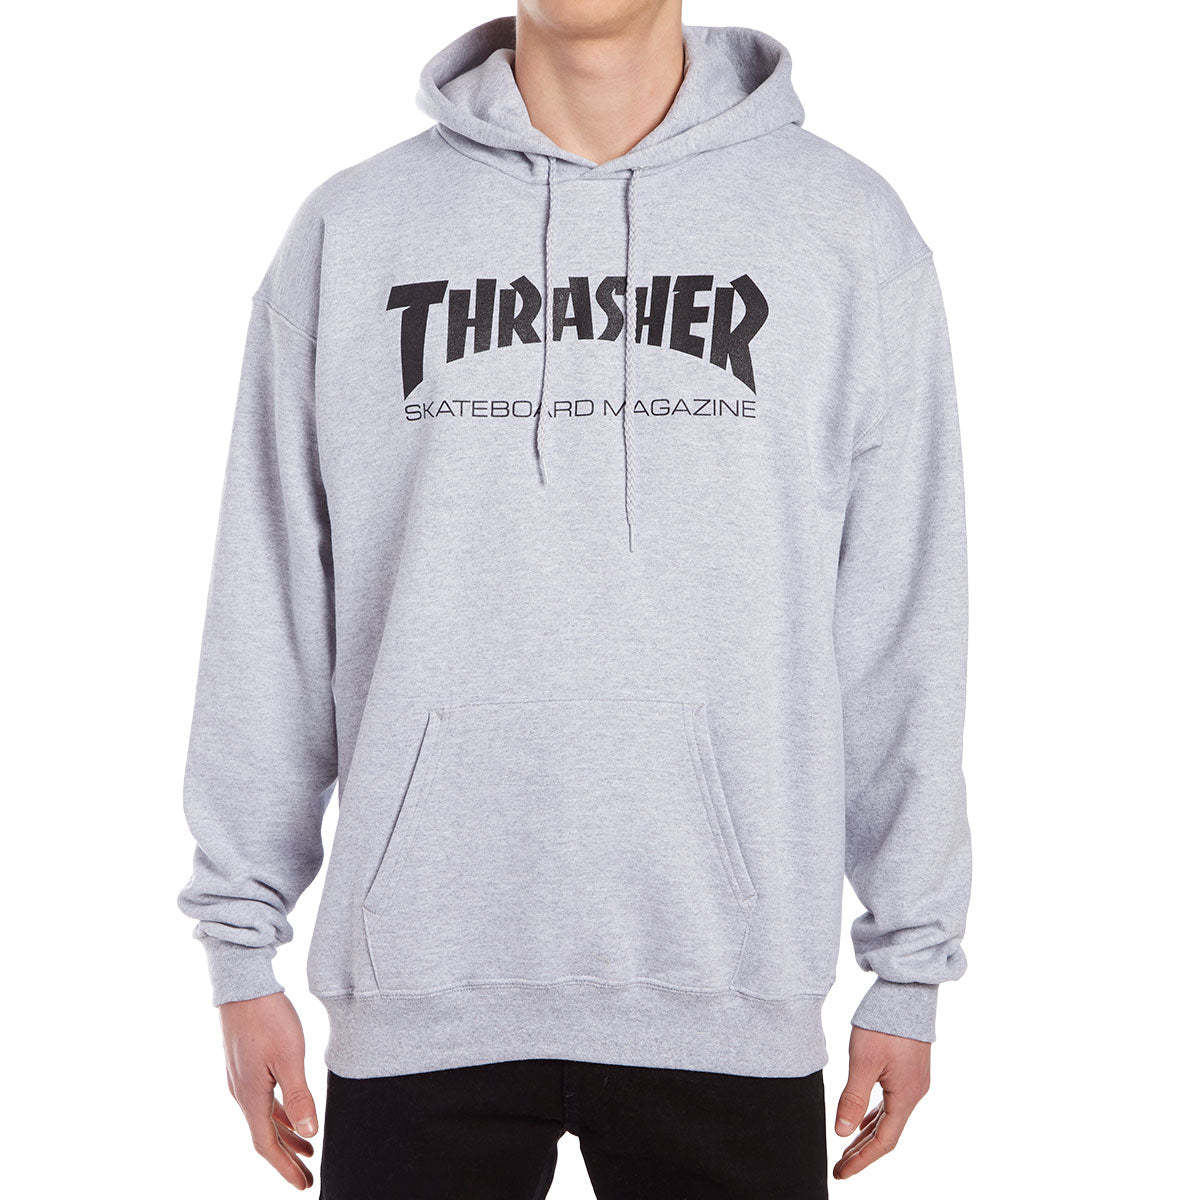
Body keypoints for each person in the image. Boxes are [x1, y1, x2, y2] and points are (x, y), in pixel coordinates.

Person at [179, 2, 970, 1195]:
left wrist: (909, 965)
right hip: (419, 990)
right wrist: (241, 950)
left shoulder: (845, 230)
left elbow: (900, 619)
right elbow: (274, 598)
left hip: (728, 986)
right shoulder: (357, 229)